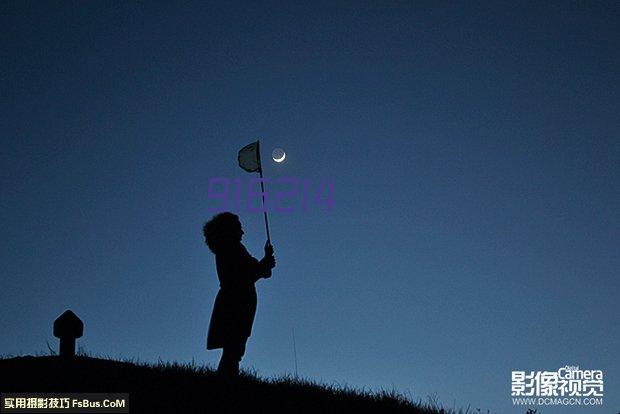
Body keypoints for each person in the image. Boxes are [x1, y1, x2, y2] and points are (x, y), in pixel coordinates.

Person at [203, 212, 276, 376]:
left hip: (234, 299)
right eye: (239, 228)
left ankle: (227, 378)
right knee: (235, 345)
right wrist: (266, 263)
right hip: (238, 301)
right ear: (230, 229)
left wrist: (266, 261)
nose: (242, 232)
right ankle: (228, 380)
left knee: (234, 344)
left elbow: (255, 271)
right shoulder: (232, 248)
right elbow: (249, 273)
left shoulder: (228, 249)